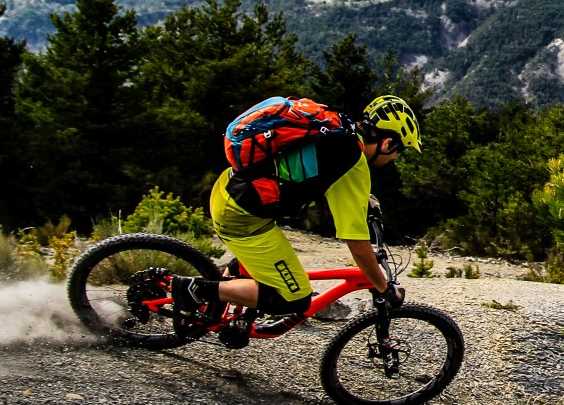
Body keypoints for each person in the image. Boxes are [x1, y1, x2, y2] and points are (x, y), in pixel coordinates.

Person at [169, 94, 421, 333]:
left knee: (270, 269)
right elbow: (356, 242)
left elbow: (316, 170)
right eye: (401, 150)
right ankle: (194, 290)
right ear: (388, 143)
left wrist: (363, 199)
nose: (396, 158)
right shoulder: (353, 164)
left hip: (230, 189)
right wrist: (383, 287)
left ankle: (220, 306)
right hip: (243, 218)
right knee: (295, 297)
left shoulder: (340, 130)